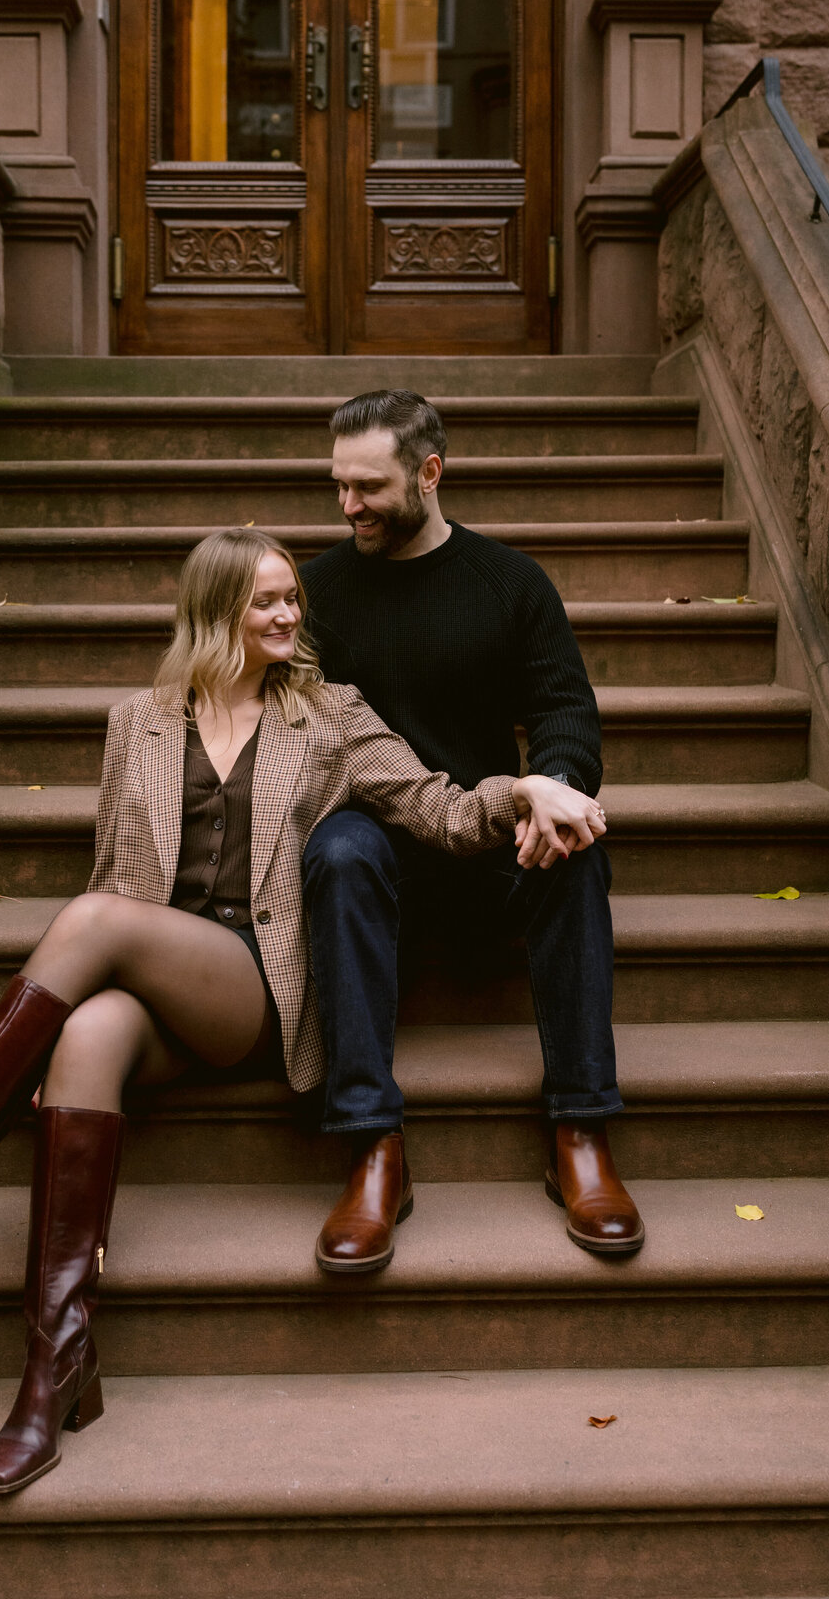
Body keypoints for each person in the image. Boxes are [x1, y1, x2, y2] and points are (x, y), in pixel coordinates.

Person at [0, 527, 558, 1497]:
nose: (289, 615)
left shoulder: (329, 714)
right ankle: (52, 1368)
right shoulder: (137, 723)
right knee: (86, 1032)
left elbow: (436, 807)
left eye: (292, 601)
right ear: (214, 612)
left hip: (257, 992)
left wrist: (524, 786)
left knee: (94, 920)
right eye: (266, 601)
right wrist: (106, 969)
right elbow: (118, 870)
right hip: (160, 982)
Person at [301, 388, 643, 1276]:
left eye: (368, 487)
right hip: (378, 856)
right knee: (336, 851)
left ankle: (581, 1129)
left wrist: (553, 792)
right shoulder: (319, 592)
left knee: (575, 846)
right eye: (338, 486)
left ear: (430, 473)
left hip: (491, 844)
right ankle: (372, 1146)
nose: (348, 506)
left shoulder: (510, 584)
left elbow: (565, 710)